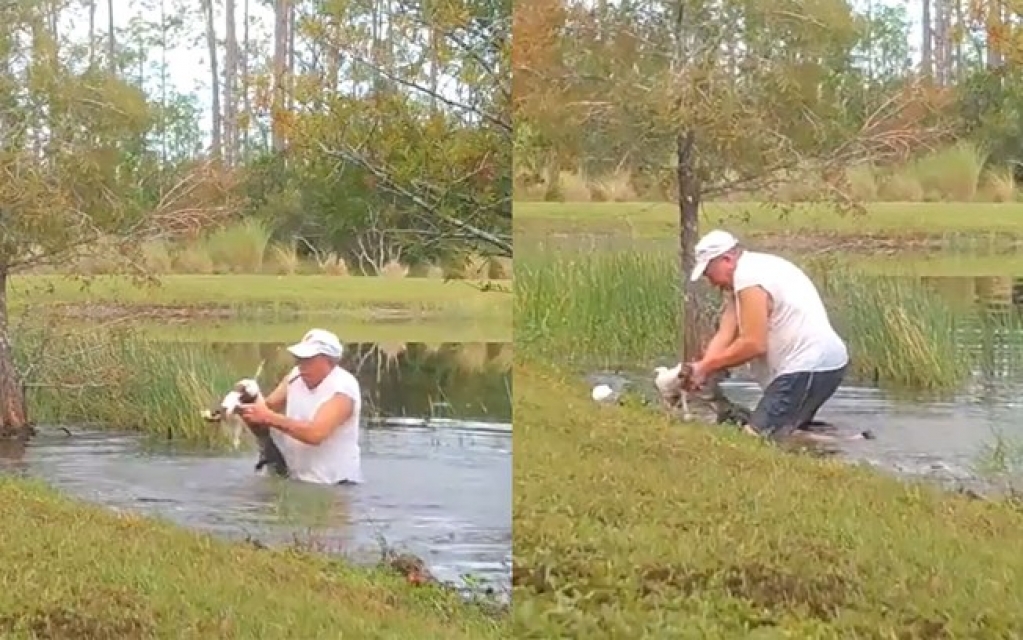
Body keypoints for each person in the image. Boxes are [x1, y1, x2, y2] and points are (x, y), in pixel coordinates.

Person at [683, 229, 851, 441]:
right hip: (822, 363)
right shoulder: (749, 273)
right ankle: (847, 441)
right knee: (787, 430)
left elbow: (754, 344)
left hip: (808, 365)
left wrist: (706, 367)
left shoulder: (749, 277)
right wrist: (702, 371)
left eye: (709, 272)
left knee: (753, 439)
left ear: (726, 259)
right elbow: (725, 334)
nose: (711, 281)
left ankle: (853, 446)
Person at [238, 328, 364, 485]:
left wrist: (267, 417)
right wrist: (244, 401)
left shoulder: (343, 390)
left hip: (336, 485)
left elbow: (315, 434)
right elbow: (267, 408)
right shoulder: (295, 376)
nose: (301, 365)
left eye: (308, 359)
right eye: (299, 359)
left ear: (328, 361)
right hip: (297, 480)